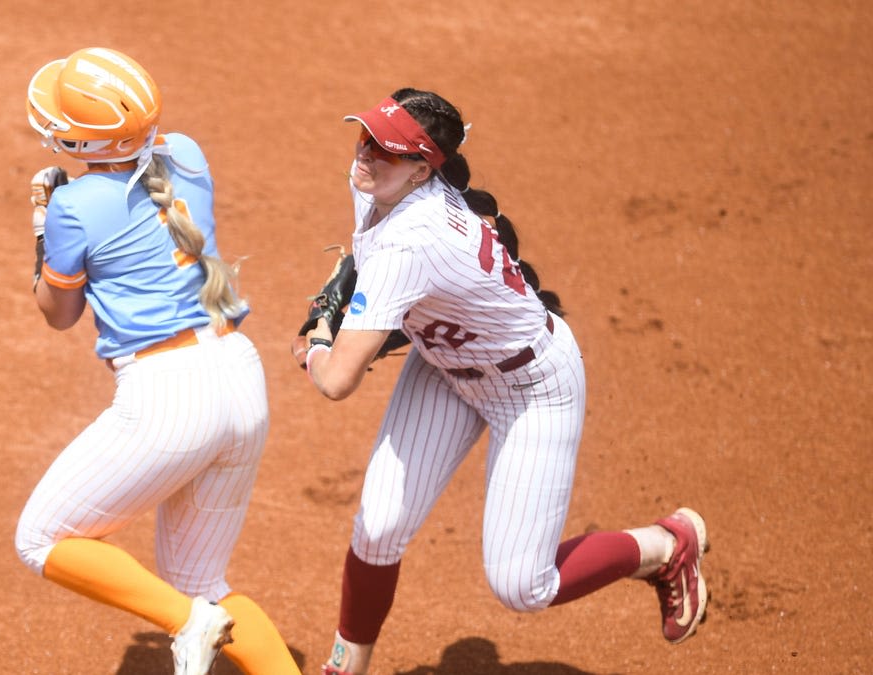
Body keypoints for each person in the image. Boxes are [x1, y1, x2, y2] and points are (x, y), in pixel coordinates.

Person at [290, 88, 709, 675]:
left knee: (522, 587)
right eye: (365, 136)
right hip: (443, 367)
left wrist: (315, 338)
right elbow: (371, 262)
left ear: (420, 170)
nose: (365, 153)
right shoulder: (384, 188)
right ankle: (346, 664)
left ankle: (666, 546)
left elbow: (335, 382)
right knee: (379, 526)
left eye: (384, 149)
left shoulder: (415, 241)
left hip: (532, 387)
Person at [14, 46, 300, 675]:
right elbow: (140, 190)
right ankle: (201, 615)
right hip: (239, 376)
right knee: (202, 582)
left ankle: (186, 621)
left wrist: (43, 227)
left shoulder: (73, 206)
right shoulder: (188, 154)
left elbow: (58, 312)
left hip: (169, 398)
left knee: (42, 539)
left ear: (78, 141)